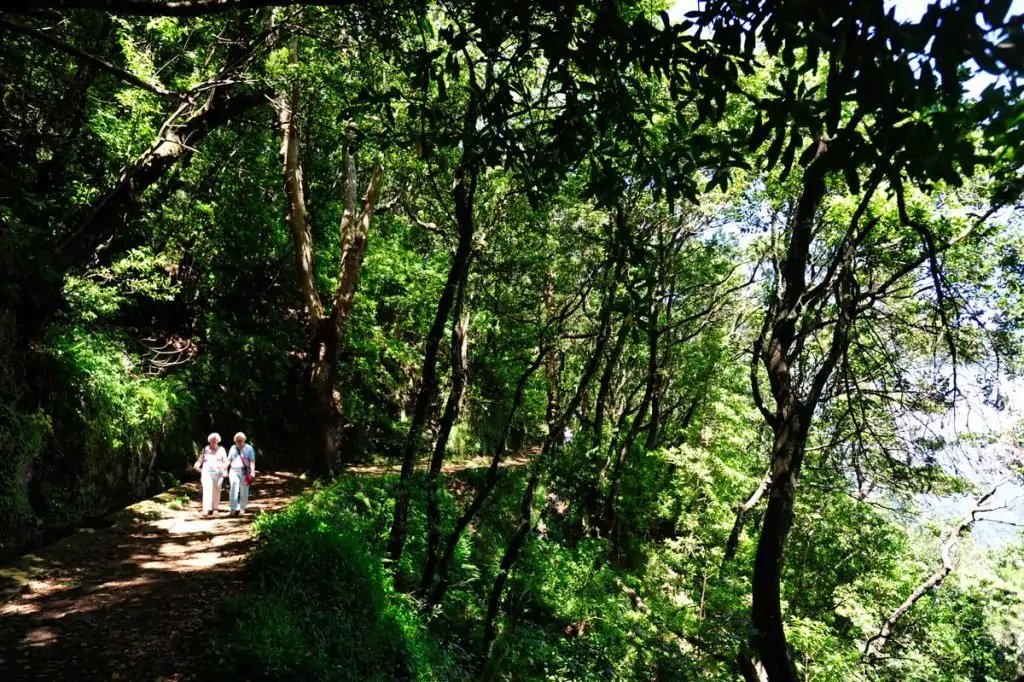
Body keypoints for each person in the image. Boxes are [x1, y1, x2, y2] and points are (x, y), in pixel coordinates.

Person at [194, 432, 228, 516]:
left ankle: (215, 508)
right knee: (207, 489)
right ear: (209, 441)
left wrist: (225, 471)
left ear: (218, 441)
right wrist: (197, 464)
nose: (213, 442)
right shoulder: (205, 449)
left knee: (216, 490)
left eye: (215, 440)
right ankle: (206, 509)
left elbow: (226, 461)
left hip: (218, 473)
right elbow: (200, 459)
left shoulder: (222, 449)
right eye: (212, 440)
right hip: (206, 472)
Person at [227, 431, 257, 517]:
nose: (239, 442)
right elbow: (229, 460)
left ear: (244, 440)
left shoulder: (249, 448)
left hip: (245, 472)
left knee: (244, 490)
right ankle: (233, 508)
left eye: (241, 440)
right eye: (237, 441)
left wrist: (252, 471)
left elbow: (252, 461)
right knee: (233, 487)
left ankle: (243, 507)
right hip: (233, 470)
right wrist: (224, 467)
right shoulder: (232, 448)